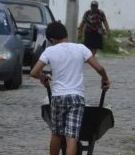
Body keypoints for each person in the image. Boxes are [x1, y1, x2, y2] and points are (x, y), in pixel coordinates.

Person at [30, 21, 110, 155]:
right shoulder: (81, 48)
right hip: (76, 97)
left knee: (56, 133)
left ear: (52, 39)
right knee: (71, 137)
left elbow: (33, 72)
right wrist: (105, 79)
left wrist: (42, 77)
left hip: (57, 97)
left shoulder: (50, 51)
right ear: (65, 34)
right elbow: (99, 68)